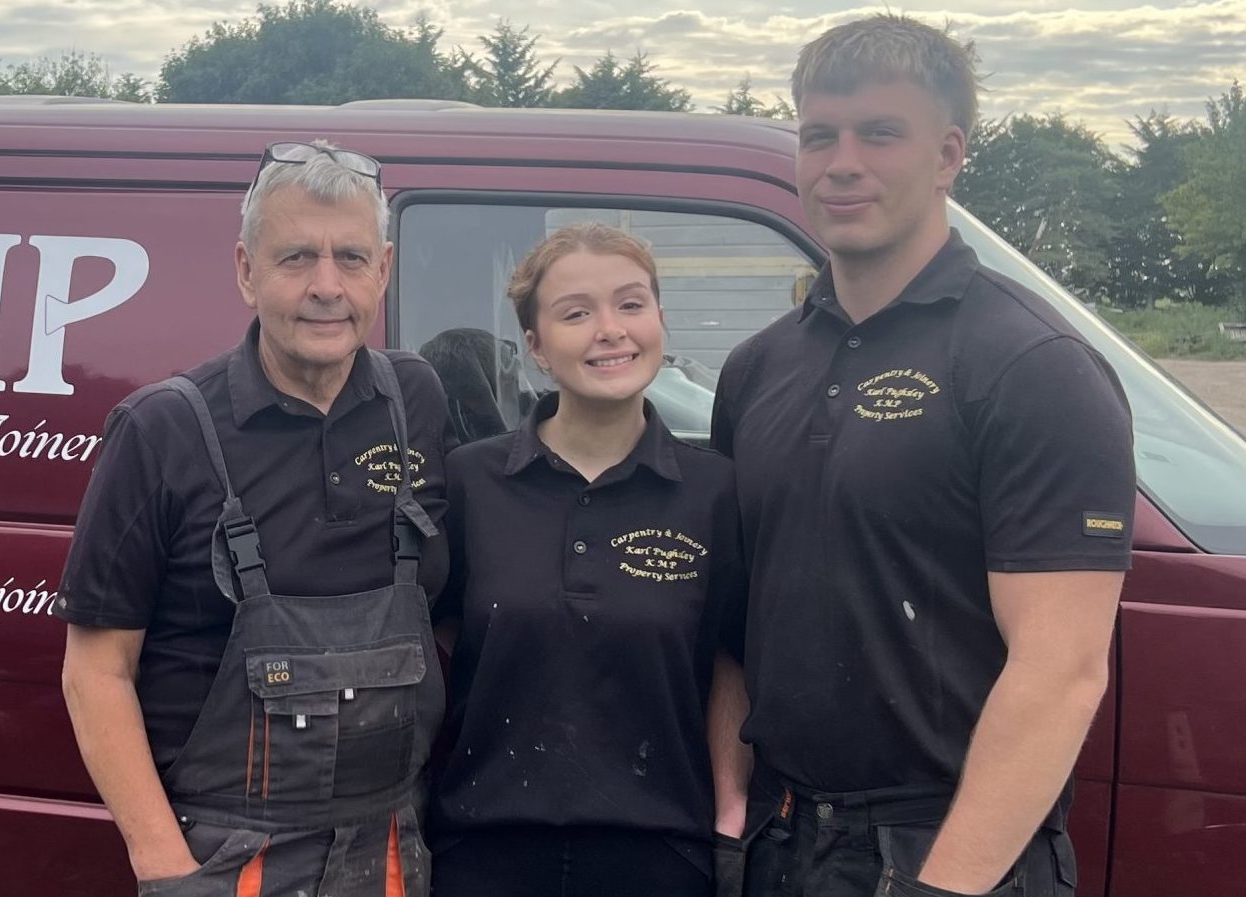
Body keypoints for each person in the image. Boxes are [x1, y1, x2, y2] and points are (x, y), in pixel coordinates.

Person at [711, 15, 1135, 897]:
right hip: (781, 843)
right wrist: (731, 813)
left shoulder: (1030, 367)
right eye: (818, 135)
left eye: (879, 133)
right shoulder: (757, 370)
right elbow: (737, 626)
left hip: (949, 850)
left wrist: (941, 886)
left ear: (947, 154)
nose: (841, 162)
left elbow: (1060, 671)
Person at [55, 140, 455, 897]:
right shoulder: (162, 428)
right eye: (297, 257)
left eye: (351, 258)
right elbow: (95, 671)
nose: (326, 286)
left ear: (385, 270)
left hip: (392, 848)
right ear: (245, 270)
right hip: (228, 857)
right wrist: (169, 871)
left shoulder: (418, 403)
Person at [430, 223, 750, 897]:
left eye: (630, 304)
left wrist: (727, 817)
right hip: (480, 851)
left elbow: (727, 657)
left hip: (662, 854)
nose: (610, 329)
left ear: (660, 321)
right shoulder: (469, 482)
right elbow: (440, 641)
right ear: (536, 346)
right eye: (576, 312)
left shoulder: (715, 492)